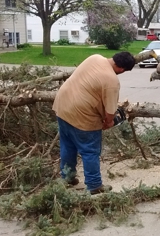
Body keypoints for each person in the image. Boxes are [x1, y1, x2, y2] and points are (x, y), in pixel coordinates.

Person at [52, 52, 135, 195]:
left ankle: (67, 177)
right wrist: (109, 122)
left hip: (62, 106)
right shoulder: (112, 81)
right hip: (82, 115)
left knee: (68, 145)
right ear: (122, 69)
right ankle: (94, 185)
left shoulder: (95, 57)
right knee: (89, 150)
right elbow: (110, 112)